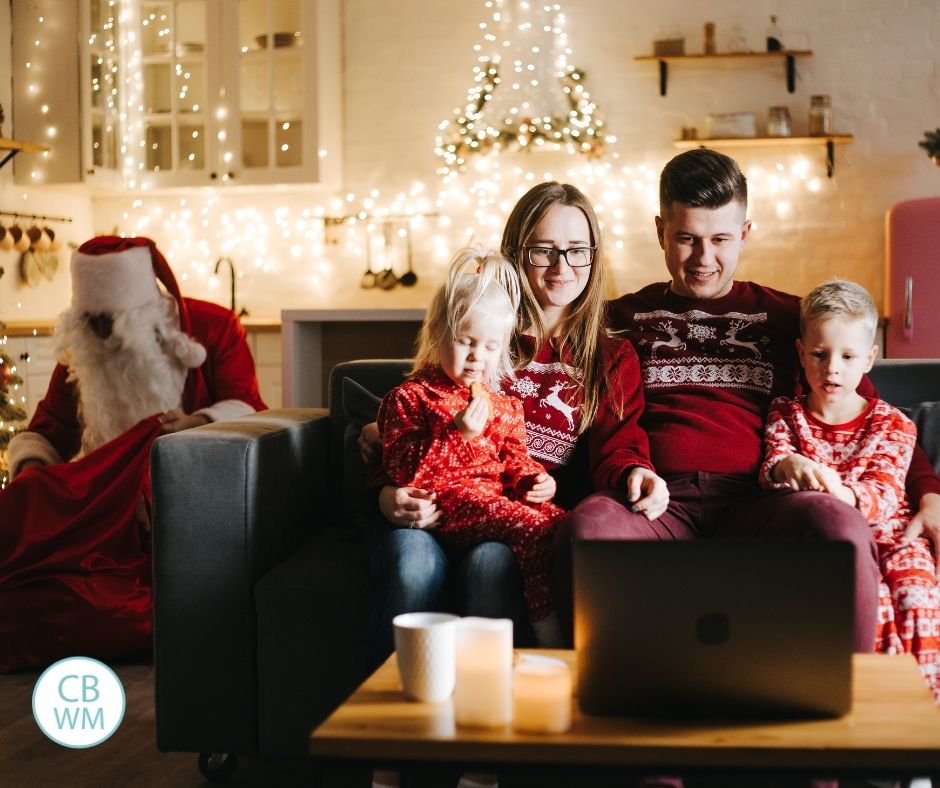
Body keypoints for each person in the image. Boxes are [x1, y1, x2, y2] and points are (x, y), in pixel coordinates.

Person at [559, 148, 940, 655]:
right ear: (659, 232)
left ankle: (854, 707)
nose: (703, 258)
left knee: (838, 524)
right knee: (586, 529)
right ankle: (608, 700)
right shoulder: (618, 319)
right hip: (655, 504)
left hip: (760, 502)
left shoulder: (792, 320)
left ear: (744, 234)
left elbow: (870, 415)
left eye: (719, 239)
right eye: (686, 238)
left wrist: (930, 492)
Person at [364, 181, 668, 658]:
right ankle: (388, 712)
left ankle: (496, 711)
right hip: (433, 505)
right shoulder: (481, 336)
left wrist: (637, 472)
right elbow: (408, 418)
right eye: (544, 250)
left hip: (512, 519)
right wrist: (385, 493)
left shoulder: (609, 356)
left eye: (577, 250)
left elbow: (618, 447)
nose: (562, 267)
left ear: (595, 255)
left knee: (492, 566)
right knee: (410, 561)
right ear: (515, 254)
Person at [1, 235, 266, 672]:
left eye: (110, 321)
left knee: (115, 613)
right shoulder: (85, 345)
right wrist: (33, 478)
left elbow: (251, 411)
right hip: (98, 520)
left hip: (185, 515)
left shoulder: (211, 327)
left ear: (142, 311)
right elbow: (49, 431)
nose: (101, 333)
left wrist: (197, 425)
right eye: (91, 320)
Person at [760, 279, 939, 702]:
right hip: (836, 541)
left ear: (870, 359)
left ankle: (924, 719)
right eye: (819, 355)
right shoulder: (785, 415)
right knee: (868, 603)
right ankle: (874, 711)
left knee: (917, 595)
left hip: (896, 536)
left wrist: (844, 496)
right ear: (801, 353)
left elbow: (885, 492)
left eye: (847, 356)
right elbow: (771, 465)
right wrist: (787, 465)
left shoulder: (894, 424)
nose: (832, 369)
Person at [376, 247, 566, 646]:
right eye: (466, 342)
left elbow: (516, 458)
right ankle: (547, 624)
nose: (478, 357)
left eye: (491, 347)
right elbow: (402, 470)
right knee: (533, 526)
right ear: (437, 335)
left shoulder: (504, 405)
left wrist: (535, 479)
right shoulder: (410, 398)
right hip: (444, 508)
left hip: (487, 510)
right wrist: (455, 435)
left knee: (557, 519)